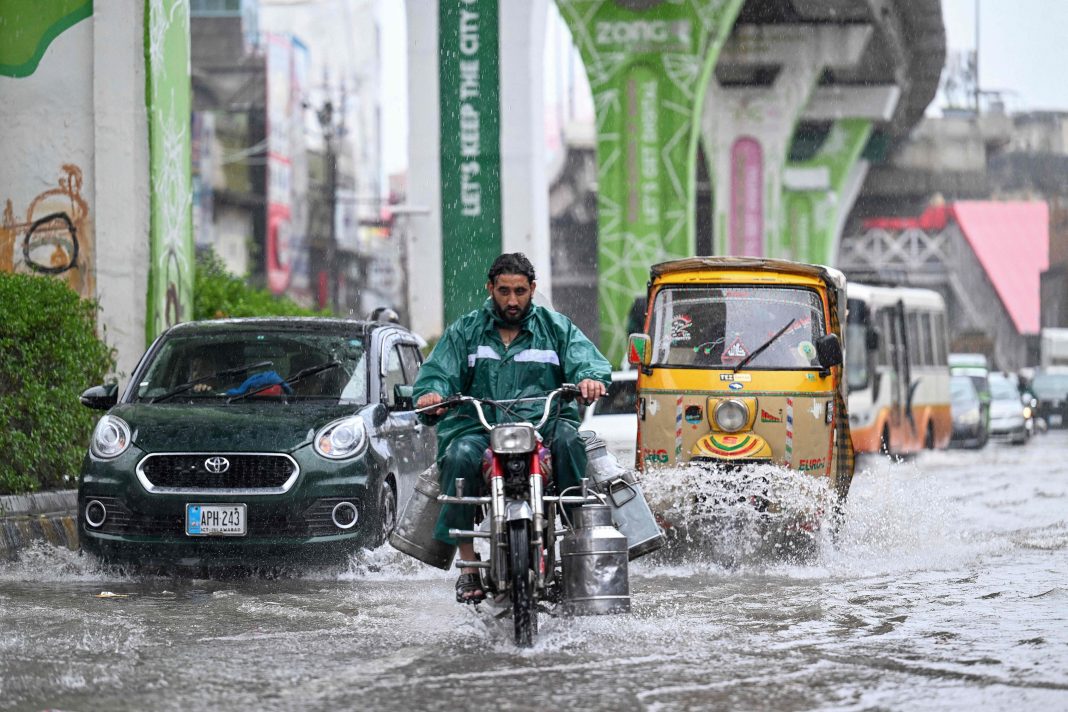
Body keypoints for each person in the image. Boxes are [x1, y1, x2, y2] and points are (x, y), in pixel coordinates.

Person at [414, 252, 611, 604]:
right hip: (479, 428)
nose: (512, 301)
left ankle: (577, 540)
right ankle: (468, 565)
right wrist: (432, 394)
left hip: (545, 424)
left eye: (520, 291)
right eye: (503, 291)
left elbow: (587, 361)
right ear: (490, 288)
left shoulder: (556, 328)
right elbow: (438, 372)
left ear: (532, 289)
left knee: (570, 441)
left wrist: (590, 379)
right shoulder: (465, 330)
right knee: (457, 455)